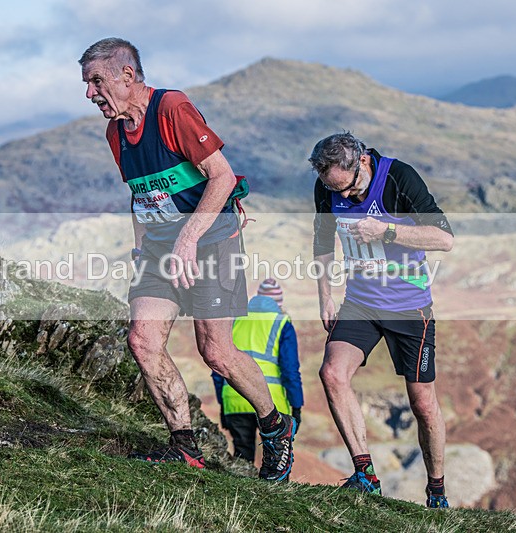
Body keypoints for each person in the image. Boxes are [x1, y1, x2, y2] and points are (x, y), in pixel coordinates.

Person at [79, 37, 296, 481]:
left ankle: (276, 427)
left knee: (216, 352)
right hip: (160, 246)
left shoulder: (172, 108)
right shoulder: (115, 131)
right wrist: (143, 247)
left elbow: (221, 177)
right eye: (86, 84)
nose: (89, 94)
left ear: (127, 75)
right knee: (142, 341)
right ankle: (185, 447)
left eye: (96, 81)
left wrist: (188, 239)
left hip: (212, 239)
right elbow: (140, 194)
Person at [310, 132, 454, 508]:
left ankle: (436, 491)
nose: (342, 197)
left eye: (348, 188)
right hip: (360, 303)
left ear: (362, 162)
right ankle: (365, 475)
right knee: (332, 373)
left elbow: (444, 238)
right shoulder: (327, 187)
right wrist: (326, 298)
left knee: (422, 404)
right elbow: (323, 243)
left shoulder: (398, 177)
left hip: (410, 307)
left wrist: (387, 229)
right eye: (333, 189)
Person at [212, 279, 304, 462]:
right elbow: (290, 370)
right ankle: (275, 490)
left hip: (235, 398)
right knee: (277, 457)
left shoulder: (235, 320)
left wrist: (223, 404)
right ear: (279, 303)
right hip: (271, 401)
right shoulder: (281, 323)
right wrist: (296, 406)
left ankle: (241, 489)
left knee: (242, 459)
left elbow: (218, 368)